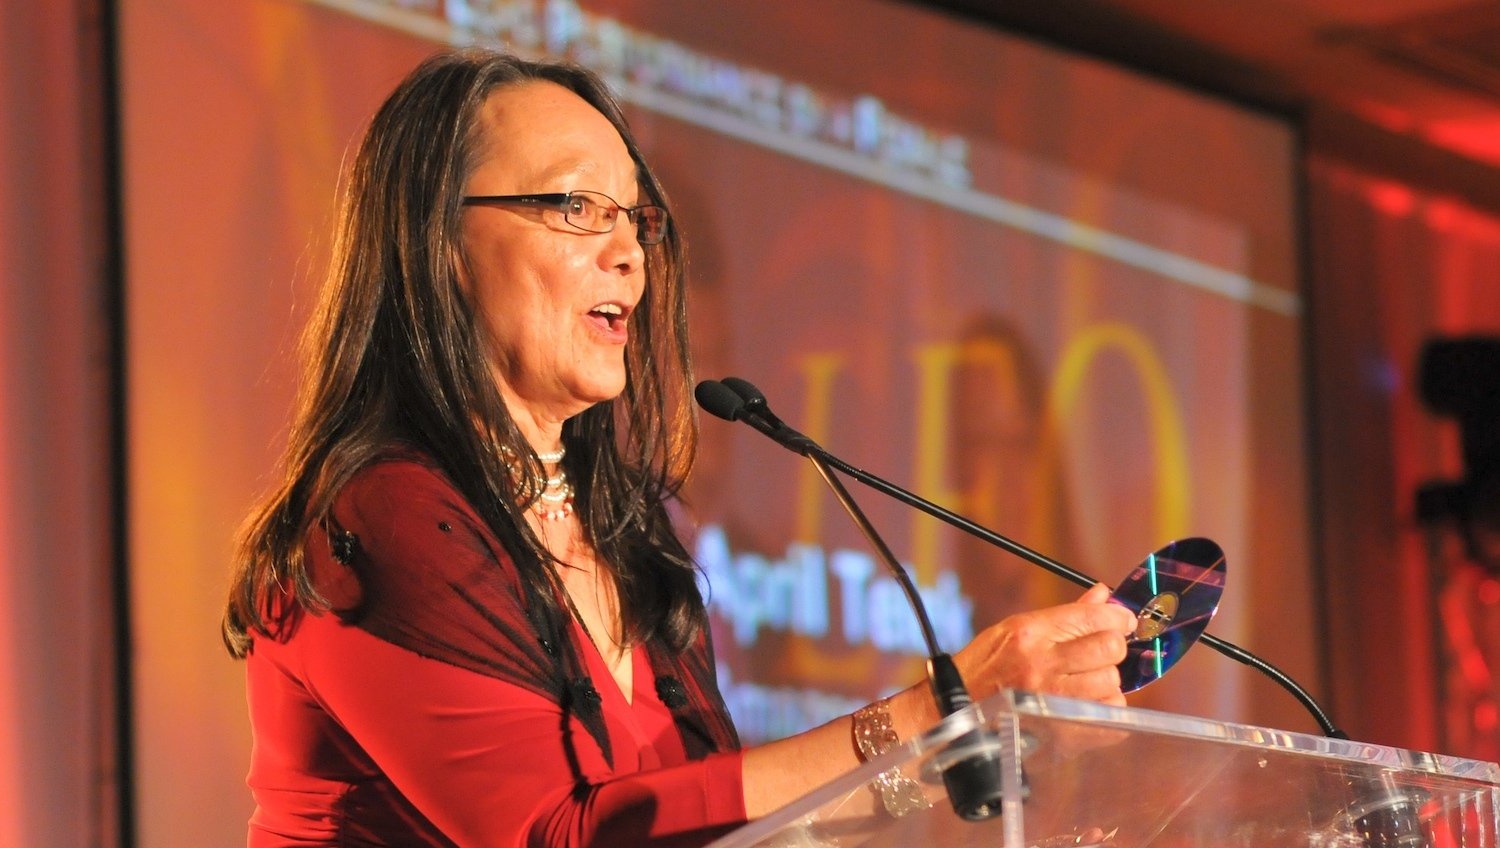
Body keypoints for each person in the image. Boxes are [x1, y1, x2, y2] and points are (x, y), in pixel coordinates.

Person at [223, 49, 1136, 847]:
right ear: (440, 242)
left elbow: (733, 832)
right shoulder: (383, 512)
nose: (628, 253)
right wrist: (940, 709)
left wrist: (969, 771)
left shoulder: (625, 537)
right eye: (577, 207)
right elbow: (552, 834)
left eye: (636, 218)